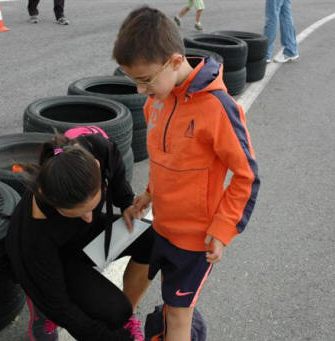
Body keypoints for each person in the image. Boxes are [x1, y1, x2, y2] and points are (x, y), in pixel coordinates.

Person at [113, 6, 260, 341]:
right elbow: (167, 160)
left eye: (145, 80)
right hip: (163, 228)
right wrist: (147, 195)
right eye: (134, 81)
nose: (140, 91)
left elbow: (246, 176)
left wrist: (223, 229)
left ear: (175, 62)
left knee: (179, 316)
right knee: (169, 302)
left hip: (196, 240)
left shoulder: (219, 108)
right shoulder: (157, 99)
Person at [5, 127, 152, 341]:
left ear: (96, 166)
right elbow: (64, 310)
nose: (90, 218)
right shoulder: (33, 237)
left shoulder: (97, 150)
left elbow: (115, 165)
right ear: (48, 198)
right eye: (78, 213)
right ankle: (40, 308)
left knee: (152, 239)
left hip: (78, 240)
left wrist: (126, 202)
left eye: (92, 207)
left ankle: (126, 319)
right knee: (112, 311)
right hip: (55, 262)